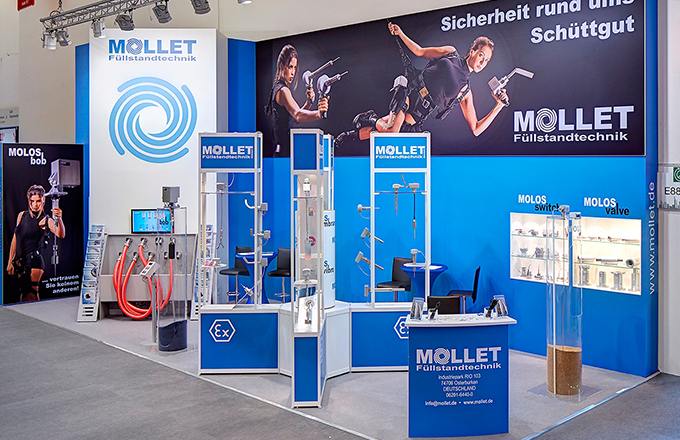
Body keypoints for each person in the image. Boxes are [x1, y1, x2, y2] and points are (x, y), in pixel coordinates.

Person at [337, 23, 508, 144]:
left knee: (384, 132)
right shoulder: (451, 53)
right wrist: (400, 33)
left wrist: (498, 106)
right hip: (410, 92)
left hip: (418, 114)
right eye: (481, 55)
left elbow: (476, 129)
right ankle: (370, 118)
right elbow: (419, 51)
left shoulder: (465, 91)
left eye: (487, 60)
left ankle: (347, 137)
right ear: (472, 51)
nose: (482, 62)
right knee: (392, 131)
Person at [265, 44, 330, 157]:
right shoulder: (283, 91)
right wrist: (318, 114)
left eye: (295, 67)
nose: (293, 72)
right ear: (281, 66)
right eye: (290, 67)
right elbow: (298, 115)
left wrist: (308, 103)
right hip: (284, 154)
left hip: (283, 152)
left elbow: (293, 120)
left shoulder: (278, 88)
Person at [6, 185, 65, 302]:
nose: (35, 204)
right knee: (23, 295)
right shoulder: (22, 215)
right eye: (32, 201)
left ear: (43, 200)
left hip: (34, 261)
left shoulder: (45, 220)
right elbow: (15, 239)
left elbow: (60, 234)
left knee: (31, 295)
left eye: (38, 201)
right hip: (20, 261)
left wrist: (59, 219)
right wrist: (10, 261)